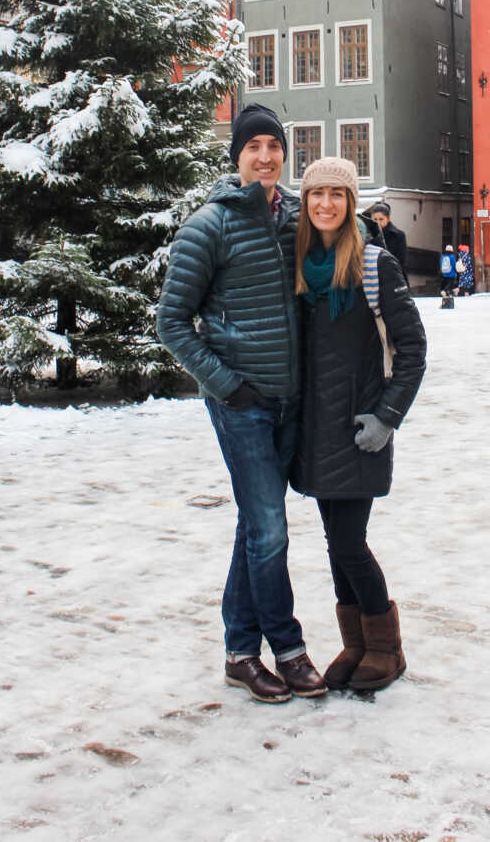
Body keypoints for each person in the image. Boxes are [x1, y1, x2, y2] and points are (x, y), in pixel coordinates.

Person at [156, 104, 326, 704]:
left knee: (257, 527)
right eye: (252, 145)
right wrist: (226, 384)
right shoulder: (210, 225)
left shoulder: (293, 221)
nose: (264, 156)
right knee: (270, 528)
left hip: (288, 397)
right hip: (241, 402)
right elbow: (172, 322)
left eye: (273, 146)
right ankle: (287, 647)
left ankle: (237, 653)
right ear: (236, 155)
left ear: (285, 154)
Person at [291, 158, 426, 691]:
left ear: (351, 204)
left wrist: (387, 418)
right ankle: (356, 643)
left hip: (360, 426)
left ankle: (387, 649)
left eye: (337, 194)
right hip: (316, 428)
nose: (326, 203)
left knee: (349, 542)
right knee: (334, 541)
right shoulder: (301, 265)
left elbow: (413, 349)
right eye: (316, 194)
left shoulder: (375, 265)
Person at [370, 201, 408, 279]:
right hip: (373, 277)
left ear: (388, 219)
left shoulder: (399, 235)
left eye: (381, 219)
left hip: (394, 278)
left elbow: (400, 261)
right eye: (375, 219)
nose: (378, 222)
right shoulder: (368, 235)